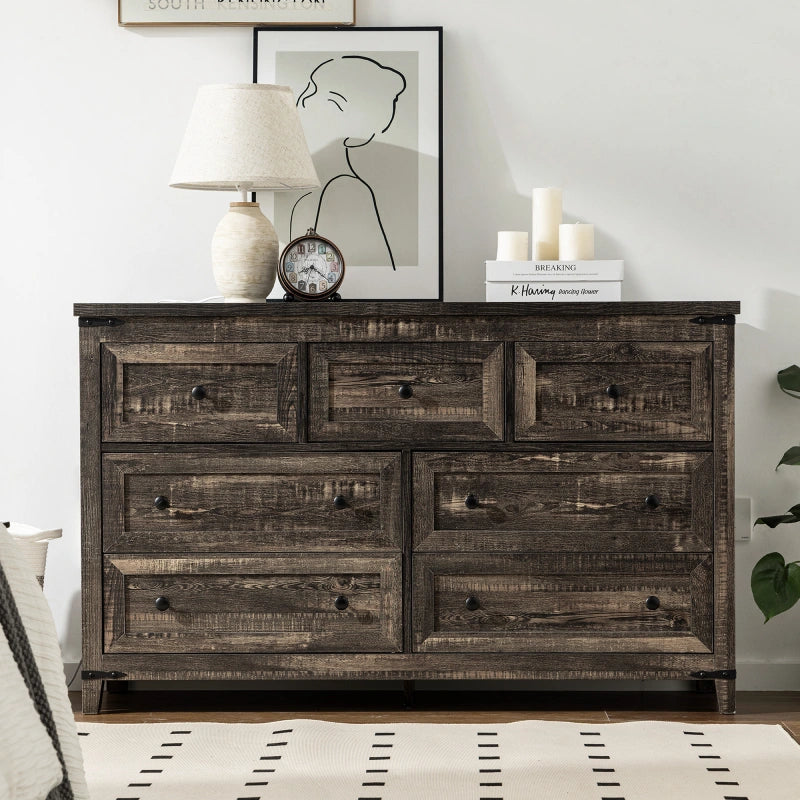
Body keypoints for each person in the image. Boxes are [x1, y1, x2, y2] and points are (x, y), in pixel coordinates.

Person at [288, 55, 407, 269]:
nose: (306, 100)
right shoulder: (313, 187)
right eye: (311, 88)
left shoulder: (347, 189)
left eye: (333, 100)